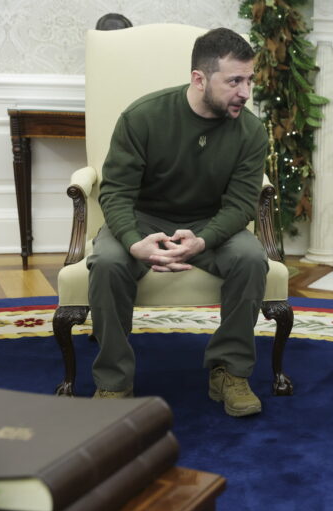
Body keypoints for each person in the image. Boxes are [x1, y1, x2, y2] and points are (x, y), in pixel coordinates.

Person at [88, 28, 269, 418]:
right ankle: (114, 381)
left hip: (210, 223)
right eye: (234, 80)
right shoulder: (143, 117)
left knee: (251, 258)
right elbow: (115, 192)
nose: (245, 92)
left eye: (250, 79)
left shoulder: (251, 132)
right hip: (142, 218)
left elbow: (240, 206)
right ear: (199, 79)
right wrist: (135, 242)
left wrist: (202, 240)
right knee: (107, 262)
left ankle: (230, 371)